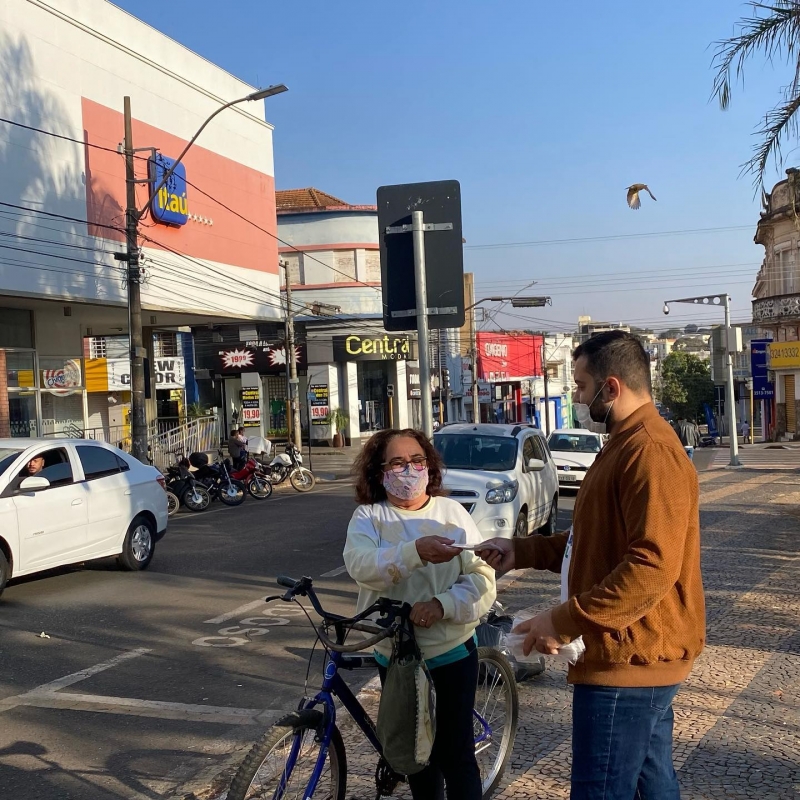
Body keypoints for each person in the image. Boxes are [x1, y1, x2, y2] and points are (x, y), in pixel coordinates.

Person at [478, 331, 705, 800]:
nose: (579, 398)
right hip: (634, 658)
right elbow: (592, 538)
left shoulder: (649, 451)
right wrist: (523, 550)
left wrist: (560, 622)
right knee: (653, 784)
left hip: (627, 662)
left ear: (612, 387)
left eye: (582, 387)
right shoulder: (624, 443)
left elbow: (651, 568)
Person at [344, 428, 496, 800]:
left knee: (455, 754)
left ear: (429, 465)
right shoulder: (369, 517)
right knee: (417, 759)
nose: (408, 470)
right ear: (380, 471)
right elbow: (361, 565)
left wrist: (442, 604)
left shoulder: (451, 512)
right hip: (397, 659)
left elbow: (482, 578)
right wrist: (415, 552)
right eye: (397, 463)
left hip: (451, 653)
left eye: (416, 461)